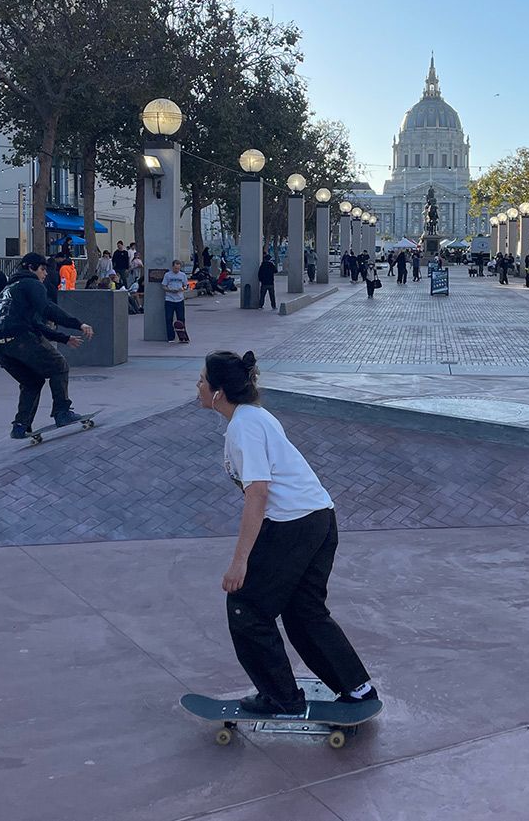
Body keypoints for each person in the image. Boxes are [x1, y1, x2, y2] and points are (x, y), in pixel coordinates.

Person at [197, 349, 377, 715]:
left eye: (201, 380)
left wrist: (239, 562)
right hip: (320, 519)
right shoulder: (255, 417)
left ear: (218, 393)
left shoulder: (243, 427)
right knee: (303, 611)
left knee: (246, 607)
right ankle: (357, 688)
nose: (197, 386)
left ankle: (280, 698)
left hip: (295, 526)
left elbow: (258, 494)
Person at [0, 252, 93, 438]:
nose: (45, 274)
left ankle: (20, 425)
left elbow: (36, 324)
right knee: (59, 366)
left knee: (32, 381)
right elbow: (48, 308)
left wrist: (64, 338)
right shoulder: (31, 283)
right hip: (19, 337)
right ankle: (62, 413)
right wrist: (78, 324)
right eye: (43, 269)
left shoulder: (9, 288)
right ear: (30, 268)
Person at [163, 258, 190, 339]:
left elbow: (186, 285)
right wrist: (170, 290)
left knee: (181, 318)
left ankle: (183, 336)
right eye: (175, 268)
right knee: (169, 318)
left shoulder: (183, 275)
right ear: (172, 267)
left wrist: (183, 288)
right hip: (169, 299)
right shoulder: (167, 275)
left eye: (178, 268)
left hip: (179, 299)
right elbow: (164, 286)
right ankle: (170, 337)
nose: (177, 270)